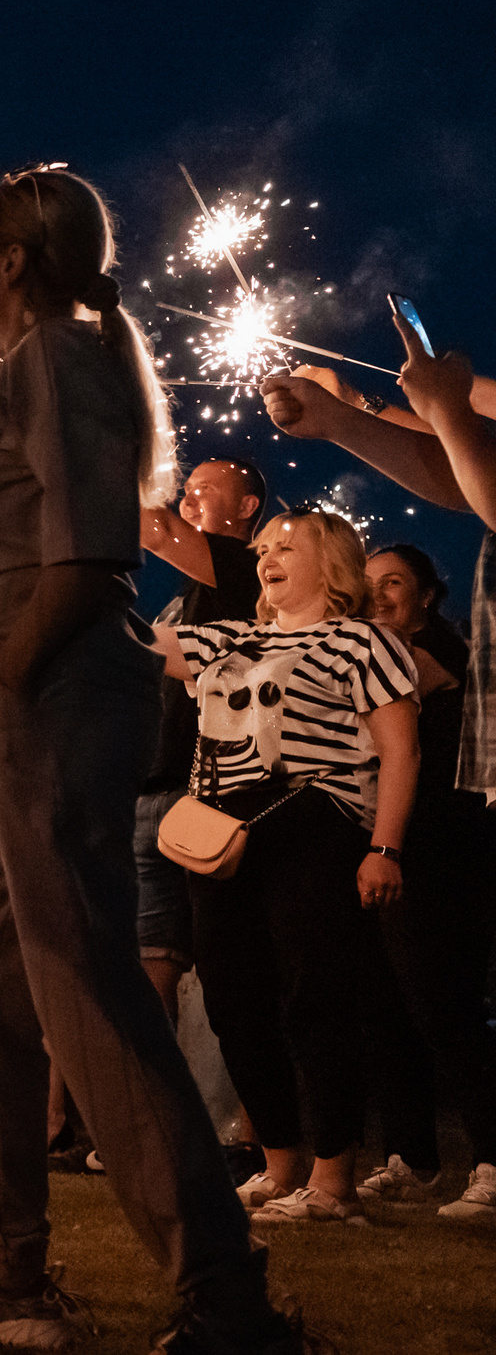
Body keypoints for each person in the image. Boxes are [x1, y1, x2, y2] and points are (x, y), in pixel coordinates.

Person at [0, 164, 295, 1351]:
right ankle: (6, 1271)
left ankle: (223, 1295)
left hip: (53, 690)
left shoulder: (64, 354)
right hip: (10, 704)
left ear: (13, 258)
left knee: (78, 977)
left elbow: (86, 563)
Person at [262, 318, 496, 1225]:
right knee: (393, 1001)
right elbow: (461, 467)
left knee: (446, 994)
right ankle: (416, 1150)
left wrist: (421, 401)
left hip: (439, 834)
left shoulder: (408, 653)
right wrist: (349, 416)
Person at [150, 508, 420, 1224]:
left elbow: (400, 749)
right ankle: (279, 1162)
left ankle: (335, 1181)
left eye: (286, 546)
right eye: (263, 546)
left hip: (313, 819)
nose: (267, 556)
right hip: (219, 827)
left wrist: (383, 845)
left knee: (315, 993)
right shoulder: (230, 636)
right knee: (232, 997)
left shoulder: (362, 641)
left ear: (329, 563)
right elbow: (135, 644)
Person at [355, 542, 496, 1216]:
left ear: (428, 595)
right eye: (368, 584)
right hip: (384, 853)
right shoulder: (367, 654)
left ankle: (492, 1160)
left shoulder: (440, 659)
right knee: (385, 1005)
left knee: (447, 1008)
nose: (379, 595)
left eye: (394, 583)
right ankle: (411, 1157)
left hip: (444, 855)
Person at [134, 459, 269, 1025]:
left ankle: (248, 1110)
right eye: (183, 491)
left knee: (230, 972)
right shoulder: (183, 601)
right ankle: (164, 1108)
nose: (187, 502)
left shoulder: (246, 570)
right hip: (156, 794)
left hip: (213, 796)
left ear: (246, 507)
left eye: (204, 492)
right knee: (151, 966)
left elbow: (152, 528)